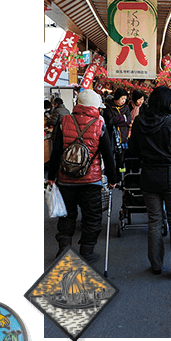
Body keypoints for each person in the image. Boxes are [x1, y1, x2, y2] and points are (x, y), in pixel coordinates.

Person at [48, 89, 117, 263]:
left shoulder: (64, 121)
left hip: (65, 179)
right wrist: (113, 179)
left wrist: (51, 176)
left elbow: (56, 151)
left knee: (66, 216)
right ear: (94, 106)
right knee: (92, 217)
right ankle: (87, 252)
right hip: (91, 181)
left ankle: (63, 251)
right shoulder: (99, 124)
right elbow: (108, 155)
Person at [129, 86, 171, 277]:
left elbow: (133, 150)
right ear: (165, 102)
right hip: (169, 176)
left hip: (147, 176)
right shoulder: (170, 122)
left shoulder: (138, 121)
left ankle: (156, 265)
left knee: (154, 221)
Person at [103, 88, 131, 179]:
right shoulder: (108, 107)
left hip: (123, 137)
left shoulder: (126, 107)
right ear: (117, 98)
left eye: (125, 99)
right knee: (110, 158)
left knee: (121, 160)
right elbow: (110, 121)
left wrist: (119, 119)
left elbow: (129, 120)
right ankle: (111, 177)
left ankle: (120, 176)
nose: (124, 101)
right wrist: (123, 118)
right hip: (111, 137)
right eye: (122, 99)